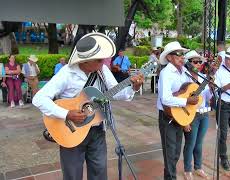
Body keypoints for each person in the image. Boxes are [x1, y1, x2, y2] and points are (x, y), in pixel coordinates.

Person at [32, 32, 144, 180]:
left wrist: (133, 88)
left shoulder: (102, 70)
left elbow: (114, 92)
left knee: (99, 173)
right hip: (71, 132)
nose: (103, 63)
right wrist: (66, 114)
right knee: (73, 175)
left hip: (97, 130)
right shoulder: (67, 73)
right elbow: (39, 98)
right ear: (85, 61)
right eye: (99, 60)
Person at [157, 41, 199, 179]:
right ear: (169, 57)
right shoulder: (166, 72)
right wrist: (187, 100)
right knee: (170, 154)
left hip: (179, 116)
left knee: (175, 153)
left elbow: (188, 91)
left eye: (183, 54)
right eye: (179, 54)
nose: (182, 57)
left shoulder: (185, 72)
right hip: (167, 117)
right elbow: (165, 99)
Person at [182, 50, 212, 180]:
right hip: (191, 115)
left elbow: (207, 97)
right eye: (195, 61)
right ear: (188, 63)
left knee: (199, 143)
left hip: (204, 114)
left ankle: (198, 167)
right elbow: (181, 99)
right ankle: (187, 169)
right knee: (190, 143)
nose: (198, 64)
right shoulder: (184, 78)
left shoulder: (204, 77)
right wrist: (185, 121)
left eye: (200, 61)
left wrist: (211, 88)